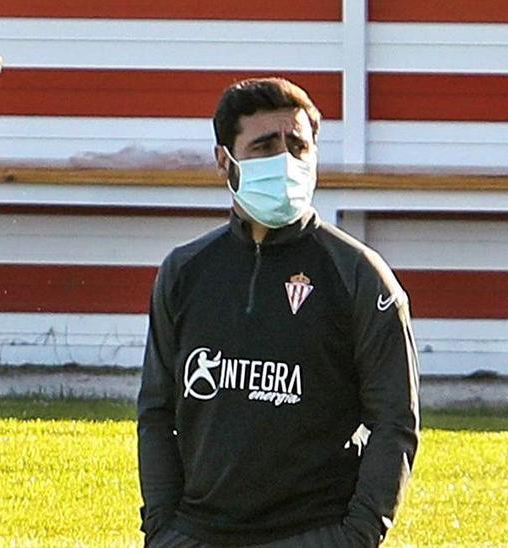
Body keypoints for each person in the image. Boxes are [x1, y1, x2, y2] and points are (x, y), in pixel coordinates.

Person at [137, 77, 420, 547]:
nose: (284, 161)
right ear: (224, 162)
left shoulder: (358, 275)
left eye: (297, 146)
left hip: (312, 532)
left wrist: (356, 535)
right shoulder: (184, 272)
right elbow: (155, 413)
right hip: (198, 533)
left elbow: (395, 421)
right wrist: (164, 530)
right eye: (264, 146)